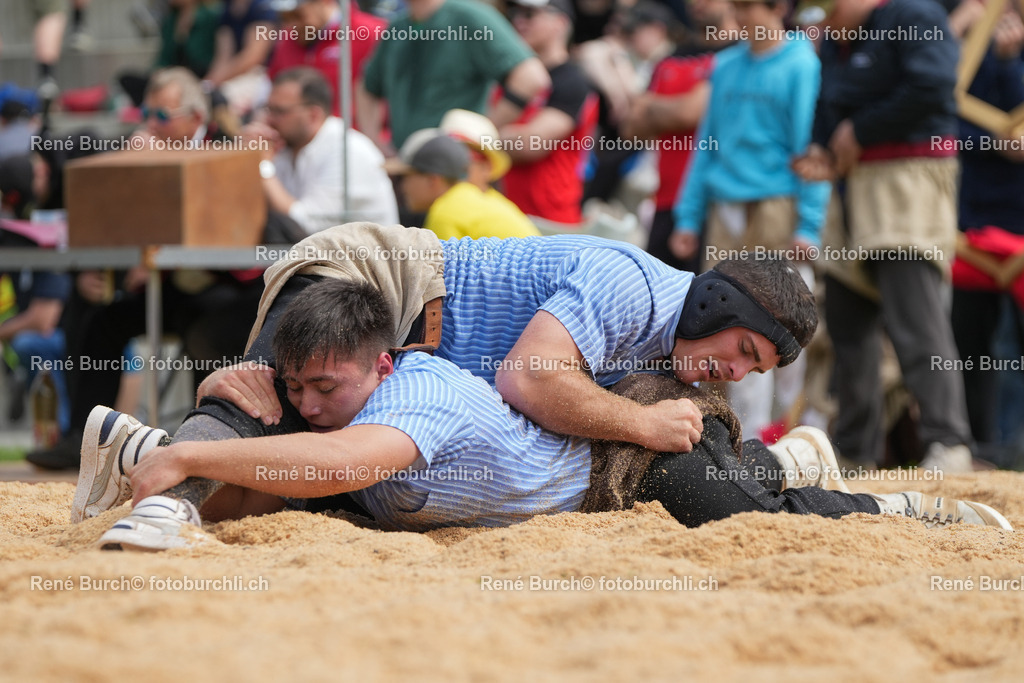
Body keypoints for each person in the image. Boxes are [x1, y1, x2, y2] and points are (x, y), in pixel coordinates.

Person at [75, 280, 1012, 551]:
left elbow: (338, 463)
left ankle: (891, 505)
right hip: (579, 440)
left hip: (617, 463)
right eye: (299, 390)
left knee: (740, 513)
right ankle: (784, 454)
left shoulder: (414, 394)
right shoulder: (333, 411)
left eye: (328, 389)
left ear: (382, 366)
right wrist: (199, 459)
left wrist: (179, 461)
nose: (310, 407)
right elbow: (290, 479)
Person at [792, 0, 973, 472]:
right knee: (847, 321)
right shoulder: (835, 37)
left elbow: (933, 87)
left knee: (916, 319)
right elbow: (827, 102)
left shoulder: (915, 17)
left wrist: (860, 130)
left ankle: (948, 441)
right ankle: (855, 450)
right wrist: (821, 146)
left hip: (907, 182)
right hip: (851, 188)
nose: (822, 22)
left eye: (828, 11)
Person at [357, 0, 551, 153]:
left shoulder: (469, 17)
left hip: (457, 170)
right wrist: (375, 143)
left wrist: (477, 133)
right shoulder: (398, 27)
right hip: (408, 170)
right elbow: (366, 86)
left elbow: (531, 78)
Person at [242, 67, 399, 235]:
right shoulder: (287, 145)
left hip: (365, 252)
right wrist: (244, 158)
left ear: (313, 115)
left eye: (279, 111)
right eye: (268, 109)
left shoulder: (347, 151)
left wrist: (262, 165)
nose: (269, 119)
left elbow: (303, 224)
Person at [499, 0, 598, 225]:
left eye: (530, 14)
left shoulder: (572, 82)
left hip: (548, 223)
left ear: (560, 23)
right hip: (507, 215)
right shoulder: (511, 75)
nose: (519, 21)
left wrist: (483, 134)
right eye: (515, 13)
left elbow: (529, 144)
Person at [384, 129, 539, 239]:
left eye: (406, 177)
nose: (402, 187)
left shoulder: (445, 212)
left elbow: (438, 274)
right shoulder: (475, 197)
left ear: (432, 180)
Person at [266, 0, 386, 124]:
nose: (291, 25)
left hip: (355, 130)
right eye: (284, 18)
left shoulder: (372, 33)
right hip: (299, 132)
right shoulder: (287, 40)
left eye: (297, 15)